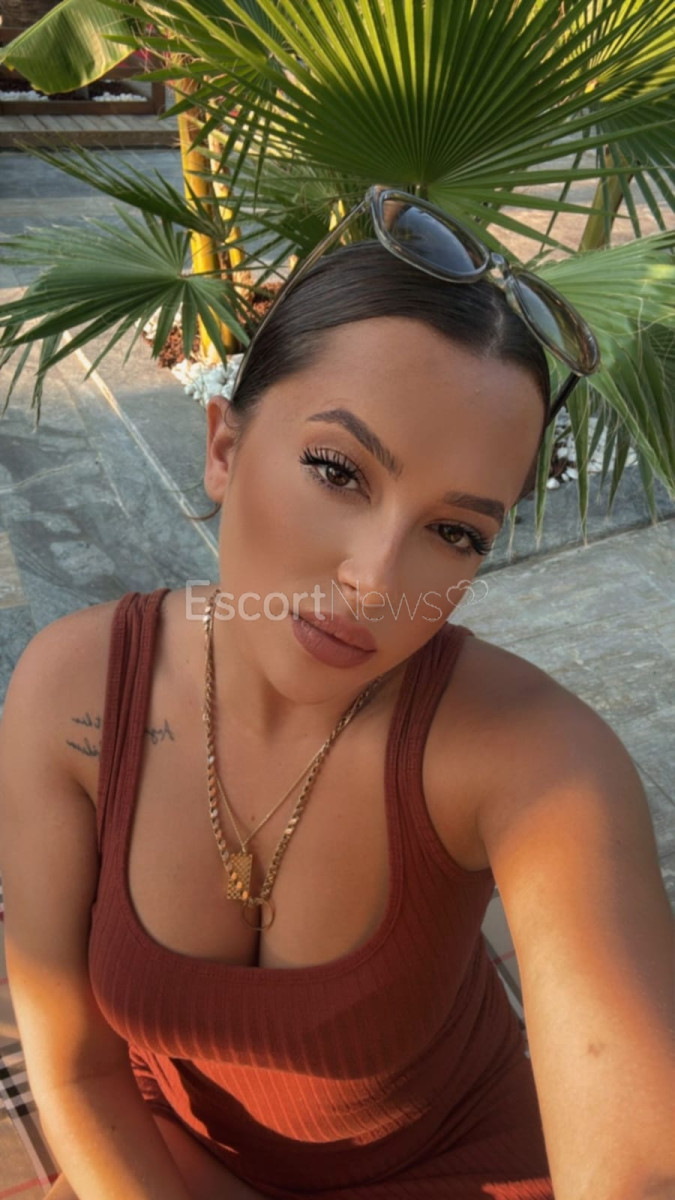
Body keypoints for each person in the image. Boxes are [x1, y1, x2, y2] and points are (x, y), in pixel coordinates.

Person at [0, 189, 672, 1200]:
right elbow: (79, 1068)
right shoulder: (73, 693)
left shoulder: (536, 760)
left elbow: (638, 1166)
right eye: (337, 469)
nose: (374, 579)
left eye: (455, 532)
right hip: (174, 1159)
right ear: (223, 447)